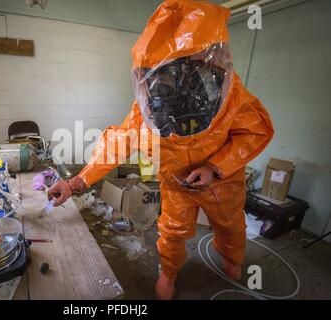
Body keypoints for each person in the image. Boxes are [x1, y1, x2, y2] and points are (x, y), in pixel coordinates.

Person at [48, 0, 274, 300]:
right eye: (166, 75)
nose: (178, 83)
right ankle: (169, 273)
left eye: (190, 70)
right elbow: (116, 146)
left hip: (223, 182)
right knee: (171, 232)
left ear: (209, 67)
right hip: (177, 185)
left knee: (231, 227)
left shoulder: (231, 97)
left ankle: (232, 259)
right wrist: (76, 183)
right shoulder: (148, 110)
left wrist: (215, 167)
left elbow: (255, 131)